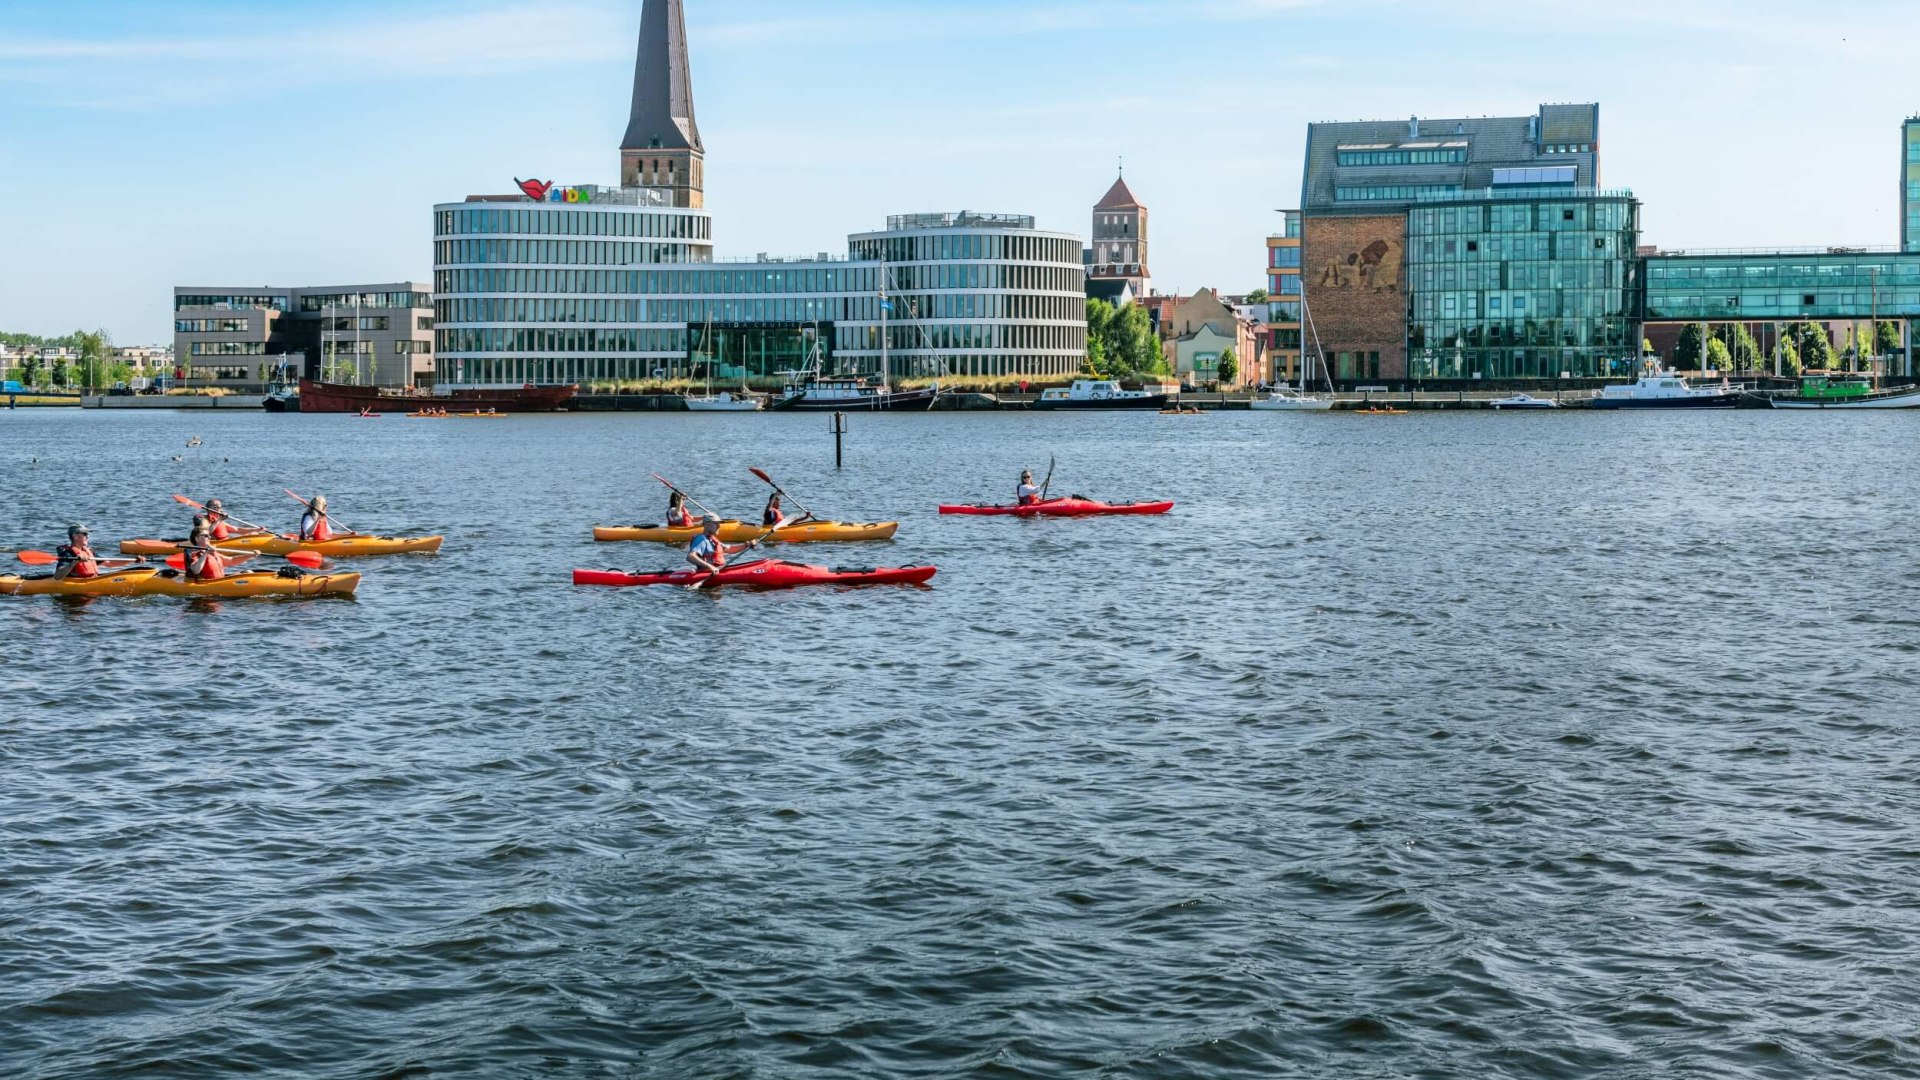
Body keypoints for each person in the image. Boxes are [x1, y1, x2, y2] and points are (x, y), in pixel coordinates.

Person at [686, 515, 753, 575]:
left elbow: (729, 549)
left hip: (717, 570)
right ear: (706, 524)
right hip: (707, 573)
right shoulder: (701, 539)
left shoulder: (712, 539)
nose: (719, 526)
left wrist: (746, 545)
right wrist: (710, 567)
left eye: (719, 523)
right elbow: (690, 556)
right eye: (715, 523)